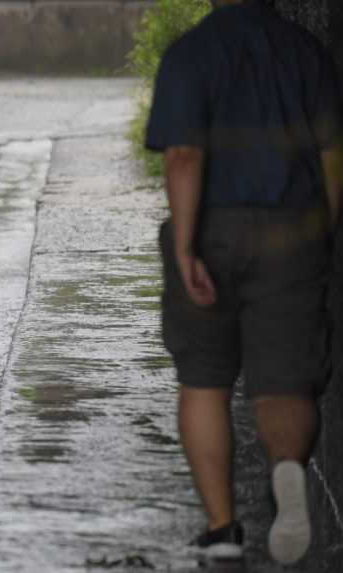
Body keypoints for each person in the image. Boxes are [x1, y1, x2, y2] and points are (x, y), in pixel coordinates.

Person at [145, 0, 342, 566]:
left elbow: (184, 156)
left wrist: (185, 246)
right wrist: (320, 232)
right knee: (284, 384)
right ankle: (286, 470)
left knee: (204, 380)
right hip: (293, 230)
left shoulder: (191, 55)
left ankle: (223, 529)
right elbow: (333, 152)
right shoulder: (305, 52)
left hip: (212, 231)